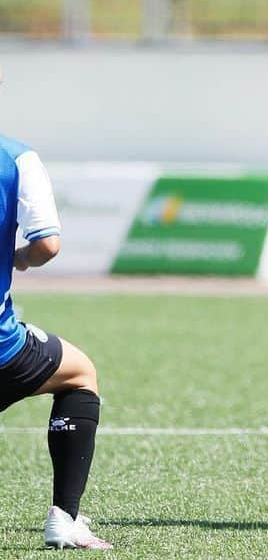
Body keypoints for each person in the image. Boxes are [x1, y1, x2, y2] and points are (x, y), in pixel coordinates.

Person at [0, 133, 111, 549]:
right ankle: (64, 518)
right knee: (79, 374)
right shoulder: (17, 158)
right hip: (2, 352)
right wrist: (21, 258)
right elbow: (47, 245)